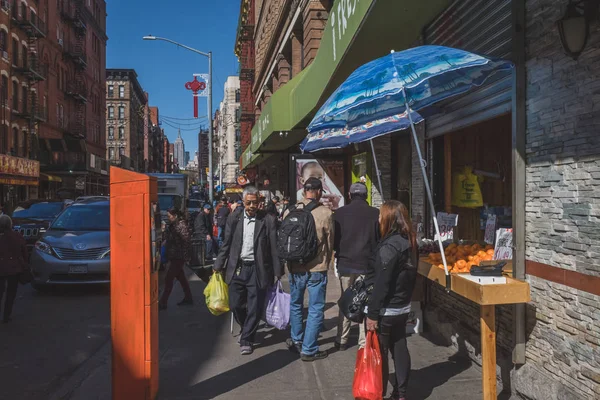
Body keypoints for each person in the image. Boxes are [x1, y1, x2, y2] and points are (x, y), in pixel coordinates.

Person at [214, 186, 282, 355]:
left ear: (259, 202)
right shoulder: (234, 218)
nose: (252, 206)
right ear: (243, 202)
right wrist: (218, 265)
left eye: (255, 202)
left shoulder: (267, 220)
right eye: (248, 202)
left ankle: (247, 340)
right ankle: (247, 329)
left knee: (255, 307)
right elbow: (227, 243)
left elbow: (274, 247)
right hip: (238, 268)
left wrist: (278, 271)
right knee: (235, 304)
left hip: (258, 269)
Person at [365, 200, 418, 400]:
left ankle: (381, 393)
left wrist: (372, 314)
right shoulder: (410, 242)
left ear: (388, 219)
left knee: (382, 352)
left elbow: (382, 283)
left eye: (380, 215)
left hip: (387, 309)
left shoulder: (390, 246)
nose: (378, 219)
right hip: (402, 306)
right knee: (400, 345)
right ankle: (401, 393)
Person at [285, 177, 335, 361]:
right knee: (315, 308)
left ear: (303, 191)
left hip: (294, 266)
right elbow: (330, 243)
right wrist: (328, 262)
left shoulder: (289, 211)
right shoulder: (325, 213)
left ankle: (296, 340)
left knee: (296, 304)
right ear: (319, 191)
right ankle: (309, 349)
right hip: (316, 267)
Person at [333, 183, 380, 350]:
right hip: (367, 265)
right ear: (366, 195)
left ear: (349, 194)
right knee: (364, 303)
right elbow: (378, 240)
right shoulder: (375, 214)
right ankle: (363, 343)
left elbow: (334, 241)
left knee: (346, 301)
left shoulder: (339, 213)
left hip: (346, 263)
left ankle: (341, 340)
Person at [159, 208, 193, 309]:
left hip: (179, 256)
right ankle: (188, 297)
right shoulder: (173, 225)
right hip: (174, 255)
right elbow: (168, 238)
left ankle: (163, 302)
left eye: (170, 216)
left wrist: (186, 256)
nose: (169, 218)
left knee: (169, 278)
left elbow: (186, 241)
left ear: (175, 216)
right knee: (181, 278)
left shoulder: (181, 225)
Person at [0, 215, 28, 323]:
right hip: (14, 268)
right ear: (10, 224)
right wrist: (25, 264)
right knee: (11, 293)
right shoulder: (17, 236)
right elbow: (24, 251)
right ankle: (6, 316)